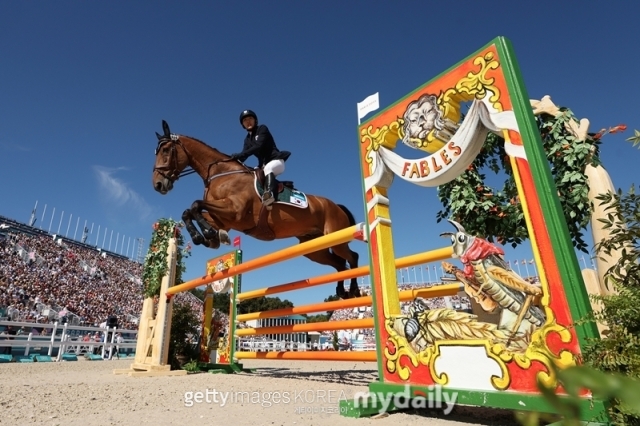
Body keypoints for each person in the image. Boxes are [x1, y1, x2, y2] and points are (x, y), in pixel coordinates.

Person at [230, 110, 291, 207]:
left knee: (268, 168)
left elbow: (258, 146)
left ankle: (269, 195)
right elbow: (244, 155)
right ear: (243, 125)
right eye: (245, 120)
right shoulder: (247, 140)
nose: (248, 121)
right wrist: (231, 161)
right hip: (262, 165)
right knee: (252, 174)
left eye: (250, 119)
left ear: (255, 120)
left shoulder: (262, 128)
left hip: (276, 161)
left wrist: (240, 155)